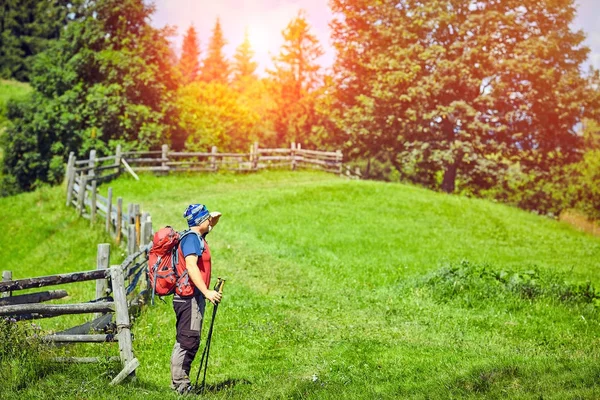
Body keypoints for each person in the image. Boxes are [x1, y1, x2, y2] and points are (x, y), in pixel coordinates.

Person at [171, 203, 222, 394]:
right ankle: (181, 386)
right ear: (200, 221)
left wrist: (208, 216)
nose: (210, 221)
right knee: (187, 341)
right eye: (206, 218)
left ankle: (181, 384)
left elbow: (216, 217)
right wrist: (207, 292)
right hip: (189, 297)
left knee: (188, 339)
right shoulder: (192, 240)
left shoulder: (197, 235)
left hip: (193, 296)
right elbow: (191, 267)